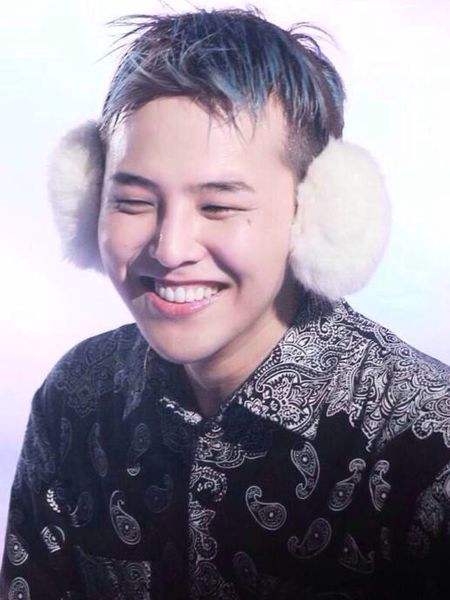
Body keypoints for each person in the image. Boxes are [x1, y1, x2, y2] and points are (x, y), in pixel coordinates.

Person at [1, 7, 449, 600]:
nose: (170, 249)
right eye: (134, 202)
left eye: (218, 207)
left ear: (319, 212)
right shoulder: (77, 396)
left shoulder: (426, 442)